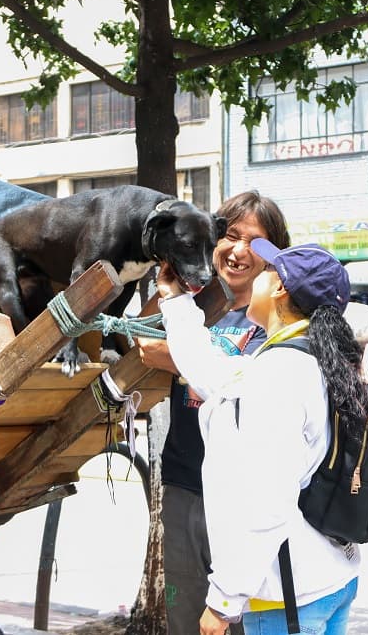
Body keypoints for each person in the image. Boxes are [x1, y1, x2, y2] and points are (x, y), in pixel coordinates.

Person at [157, 239, 367, 635]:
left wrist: (223, 602)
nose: (257, 272)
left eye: (268, 269)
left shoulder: (278, 375)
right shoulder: (302, 359)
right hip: (329, 574)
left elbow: (263, 501)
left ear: (280, 289)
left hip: (288, 596)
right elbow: (215, 374)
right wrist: (175, 301)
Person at [136, 191, 289, 635]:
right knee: (185, 620)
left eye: (255, 242)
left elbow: (248, 386)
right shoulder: (193, 302)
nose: (239, 251)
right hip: (183, 483)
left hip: (244, 496)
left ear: (273, 256)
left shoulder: (275, 317)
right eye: (231, 236)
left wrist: (177, 356)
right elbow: (138, 345)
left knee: (239, 622)